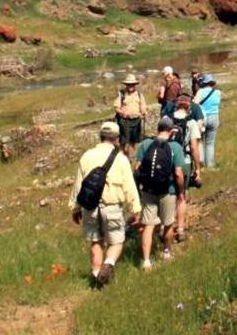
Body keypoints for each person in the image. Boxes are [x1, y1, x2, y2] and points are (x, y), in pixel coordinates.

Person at [68, 121, 141, 288]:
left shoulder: (87, 156)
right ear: (117, 139)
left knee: (96, 241)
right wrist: (135, 209)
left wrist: (75, 207)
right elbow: (129, 186)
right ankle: (108, 264)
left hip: (90, 207)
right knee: (116, 241)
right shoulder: (121, 159)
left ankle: (96, 278)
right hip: (112, 207)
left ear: (100, 136)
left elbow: (78, 185)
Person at [135, 116, 187, 268]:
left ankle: (146, 261)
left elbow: (137, 169)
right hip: (167, 190)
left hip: (148, 190)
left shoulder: (145, 144)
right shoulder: (175, 147)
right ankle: (166, 252)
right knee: (168, 223)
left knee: (148, 225)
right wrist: (181, 192)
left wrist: (138, 189)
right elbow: (178, 173)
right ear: (171, 131)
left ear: (158, 128)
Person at [169, 94, 203, 242]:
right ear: (189, 106)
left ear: (177, 105)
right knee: (182, 196)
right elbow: (194, 147)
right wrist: (198, 169)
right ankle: (180, 228)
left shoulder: (166, 119)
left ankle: (166, 226)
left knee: (168, 194)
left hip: (167, 161)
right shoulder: (191, 123)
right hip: (185, 161)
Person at [113, 74, 147, 155]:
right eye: (129, 84)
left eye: (132, 84)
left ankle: (130, 157)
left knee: (133, 141)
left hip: (136, 120)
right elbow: (116, 108)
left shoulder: (139, 94)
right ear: (126, 85)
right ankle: (121, 157)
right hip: (124, 121)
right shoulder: (121, 94)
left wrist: (144, 112)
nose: (130, 86)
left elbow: (143, 106)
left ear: (135, 85)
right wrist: (122, 113)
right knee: (123, 141)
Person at [193, 73, 221, 169]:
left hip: (202, 118)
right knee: (210, 143)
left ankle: (201, 162)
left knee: (200, 140)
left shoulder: (200, 92)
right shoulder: (218, 92)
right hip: (214, 117)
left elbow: (195, 104)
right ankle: (210, 164)